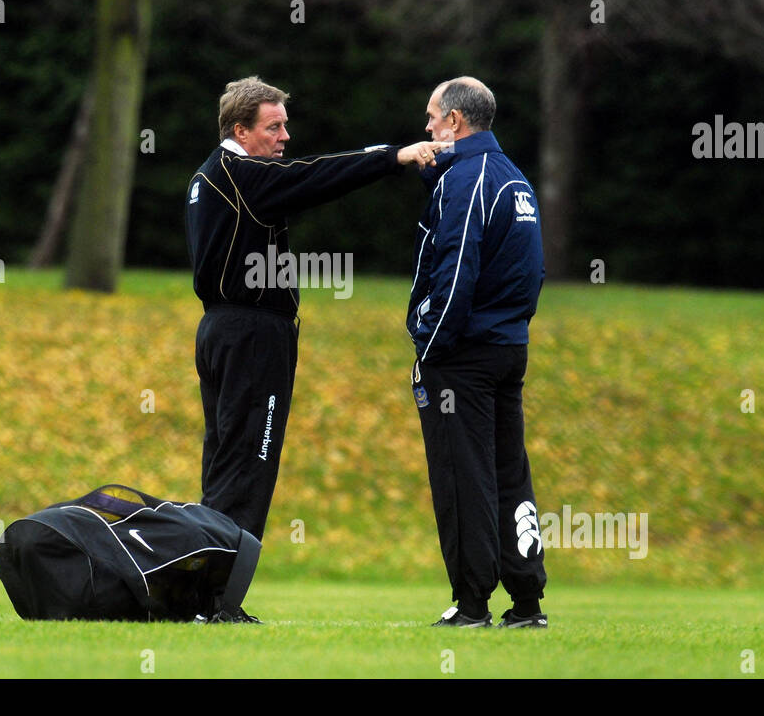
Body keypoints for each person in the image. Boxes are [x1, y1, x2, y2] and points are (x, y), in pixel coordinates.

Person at [186, 75, 442, 622]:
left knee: (225, 461)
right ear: (241, 130)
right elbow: (318, 176)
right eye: (273, 127)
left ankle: (204, 596)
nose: (284, 136)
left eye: (285, 125)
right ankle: (218, 603)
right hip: (251, 335)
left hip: (223, 331)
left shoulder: (214, 174)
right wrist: (392, 157)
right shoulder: (243, 175)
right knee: (248, 466)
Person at [407, 76, 549, 629]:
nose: (426, 127)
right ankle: (528, 601)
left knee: (462, 474)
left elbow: (457, 270)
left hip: (462, 355)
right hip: (508, 349)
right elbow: (531, 272)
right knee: (510, 472)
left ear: (455, 123)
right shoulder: (514, 179)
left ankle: (471, 605)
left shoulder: (467, 180)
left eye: (431, 116)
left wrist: (429, 345)